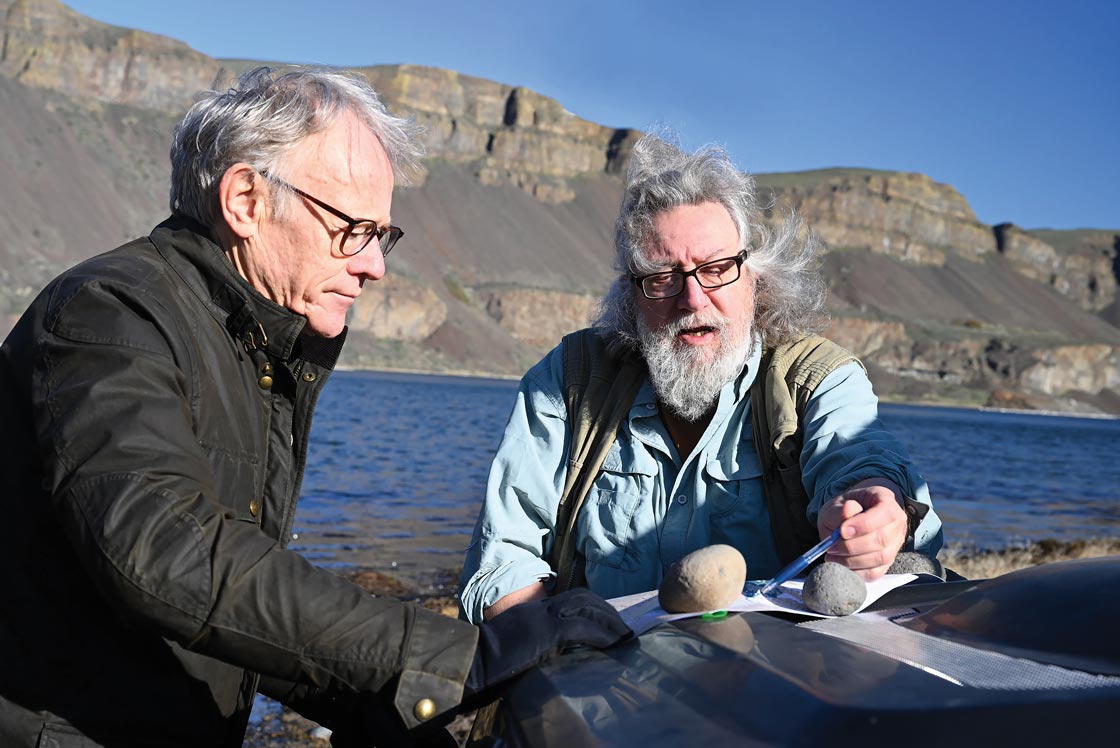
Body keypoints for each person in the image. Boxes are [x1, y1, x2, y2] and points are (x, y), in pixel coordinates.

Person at [0, 66, 630, 748]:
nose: (375, 266)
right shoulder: (111, 315)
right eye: (354, 228)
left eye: (382, 236)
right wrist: (449, 655)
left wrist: (384, 701)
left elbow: (238, 604)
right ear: (246, 199)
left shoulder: (255, 347)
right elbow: (166, 555)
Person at [459, 132, 943, 623]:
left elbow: (857, 454)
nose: (691, 299)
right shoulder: (571, 380)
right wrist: (555, 655)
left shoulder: (816, 380)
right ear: (631, 295)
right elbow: (502, 557)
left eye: (715, 269)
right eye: (663, 277)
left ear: (754, 278)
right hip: (599, 683)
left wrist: (874, 504)